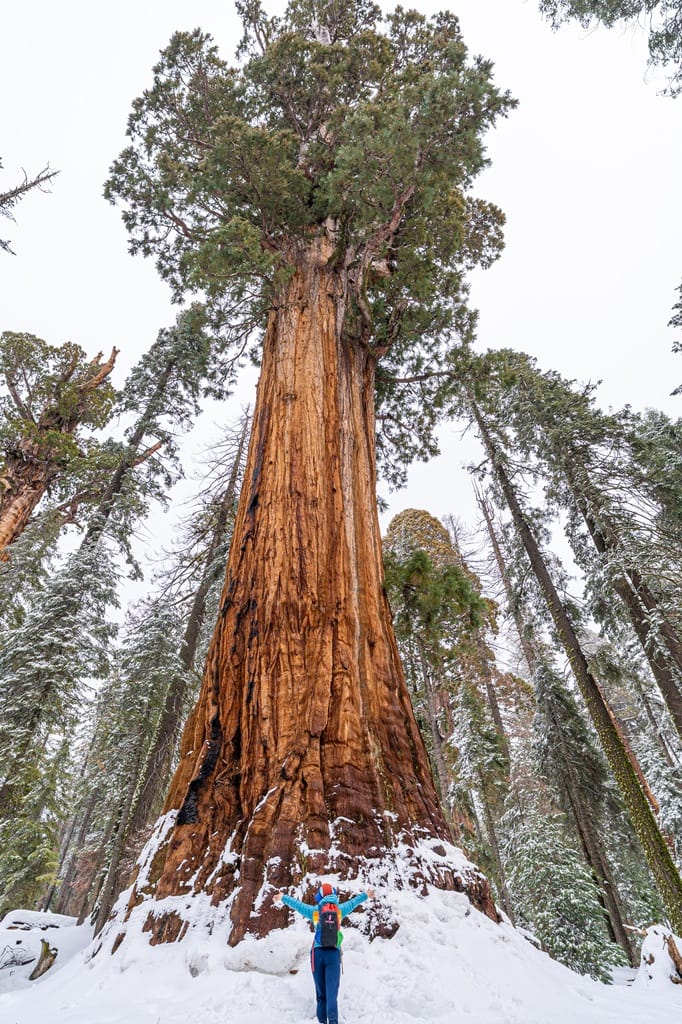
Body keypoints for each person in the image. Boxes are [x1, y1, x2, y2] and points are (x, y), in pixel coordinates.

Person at [274, 882, 374, 1024]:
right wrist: (366, 895)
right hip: (333, 954)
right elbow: (353, 903)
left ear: (320, 896)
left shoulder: (315, 911)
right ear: (333, 895)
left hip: (317, 954)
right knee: (332, 995)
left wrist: (283, 897)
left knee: (321, 996)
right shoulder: (339, 910)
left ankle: (322, 1022)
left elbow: (298, 905)